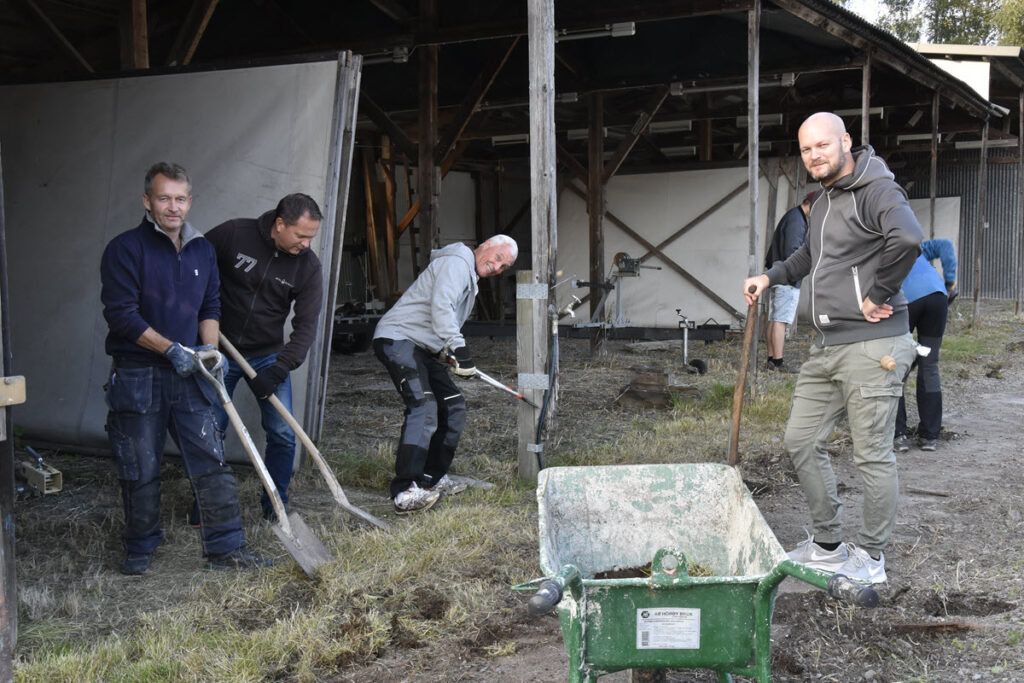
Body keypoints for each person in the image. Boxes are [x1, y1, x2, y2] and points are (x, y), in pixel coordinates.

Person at [742, 112, 921, 584]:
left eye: (822, 145)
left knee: (871, 454)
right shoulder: (822, 200)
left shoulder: (876, 189)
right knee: (800, 440)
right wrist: (770, 275)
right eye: (806, 149)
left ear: (845, 141)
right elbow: (808, 258)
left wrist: (879, 293)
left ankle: (873, 559)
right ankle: (827, 545)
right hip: (828, 347)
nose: (814, 155)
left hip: (873, 345)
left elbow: (908, 238)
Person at [100, 162, 266, 574]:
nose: (172, 207)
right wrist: (171, 348)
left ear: (190, 201)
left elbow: (210, 307)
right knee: (140, 467)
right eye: (163, 198)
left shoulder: (202, 251)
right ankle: (140, 545)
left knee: (211, 460)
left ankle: (226, 549)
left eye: (179, 198)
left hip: (190, 373)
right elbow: (122, 315)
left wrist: (207, 351)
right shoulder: (124, 249)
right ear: (147, 201)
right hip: (138, 375)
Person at [372, 235, 518, 514]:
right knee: (424, 407)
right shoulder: (457, 262)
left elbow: (436, 317)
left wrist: (446, 354)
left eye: (504, 267)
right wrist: (460, 349)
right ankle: (405, 490)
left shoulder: (469, 275)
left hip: (421, 347)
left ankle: (431, 480)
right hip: (399, 339)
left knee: (453, 407)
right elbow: (442, 308)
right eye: (498, 258)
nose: (498, 267)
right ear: (486, 245)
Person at [204, 194, 324, 522]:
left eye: (311, 237)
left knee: (284, 433)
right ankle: (209, 505)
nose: (306, 243)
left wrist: (280, 368)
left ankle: (276, 505)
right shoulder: (233, 235)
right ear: (280, 224)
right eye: (300, 236)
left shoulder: (308, 267)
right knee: (212, 428)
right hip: (219, 350)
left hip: (268, 356)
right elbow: (193, 268)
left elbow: (305, 326)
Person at [893, 238, 957, 453]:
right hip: (937, 297)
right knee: (930, 364)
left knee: (896, 364)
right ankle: (929, 436)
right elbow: (946, 246)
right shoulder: (913, 243)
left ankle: (898, 434)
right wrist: (950, 283)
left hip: (906, 301)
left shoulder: (876, 246)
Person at [764, 192, 814, 372]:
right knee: (781, 320)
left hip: (777, 273)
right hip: (786, 278)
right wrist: (795, 273)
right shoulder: (797, 221)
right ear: (811, 205)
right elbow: (793, 252)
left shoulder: (793, 216)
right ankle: (778, 361)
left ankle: (771, 358)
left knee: (774, 318)